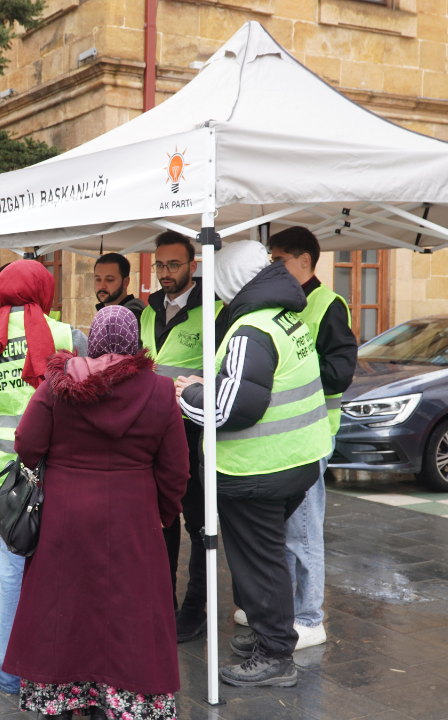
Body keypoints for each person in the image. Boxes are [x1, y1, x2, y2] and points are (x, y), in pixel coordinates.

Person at [6, 305, 188, 720]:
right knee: (130, 613)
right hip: (134, 517)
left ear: (94, 341)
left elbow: (26, 443)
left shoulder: (59, 384)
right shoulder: (161, 391)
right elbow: (177, 469)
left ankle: (67, 698)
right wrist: (161, 513)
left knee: (63, 608)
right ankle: (124, 701)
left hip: (65, 516)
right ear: (135, 343)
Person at [175, 239, 331, 688]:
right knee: (271, 557)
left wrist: (188, 394)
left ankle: (274, 655)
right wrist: (215, 383)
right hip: (297, 460)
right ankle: (271, 635)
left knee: (259, 562)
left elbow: (231, 410)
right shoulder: (285, 316)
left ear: (229, 283)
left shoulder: (249, 330)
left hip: (257, 470)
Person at [240, 227, 358, 650]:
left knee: (304, 531)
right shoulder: (282, 304)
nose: (273, 268)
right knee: (286, 527)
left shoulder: (328, 306)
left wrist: (285, 375)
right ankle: (284, 609)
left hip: (313, 437)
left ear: (304, 261)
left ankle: (309, 617)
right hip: (284, 438)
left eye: (280, 260)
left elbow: (340, 372)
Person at [0, 259, 82, 697]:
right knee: (55, 580)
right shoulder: (62, 335)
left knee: (12, 582)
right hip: (51, 477)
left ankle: (4, 670)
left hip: (1, 479)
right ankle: (53, 666)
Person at [138, 231, 227, 643]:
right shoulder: (148, 310)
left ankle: (196, 607)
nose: (165, 273)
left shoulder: (214, 309)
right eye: (159, 265)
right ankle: (163, 602)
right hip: (152, 435)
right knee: (161, 520)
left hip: (194, 436)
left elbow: (224, 373)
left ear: (193, 266)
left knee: (197, 523)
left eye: (173, 265)